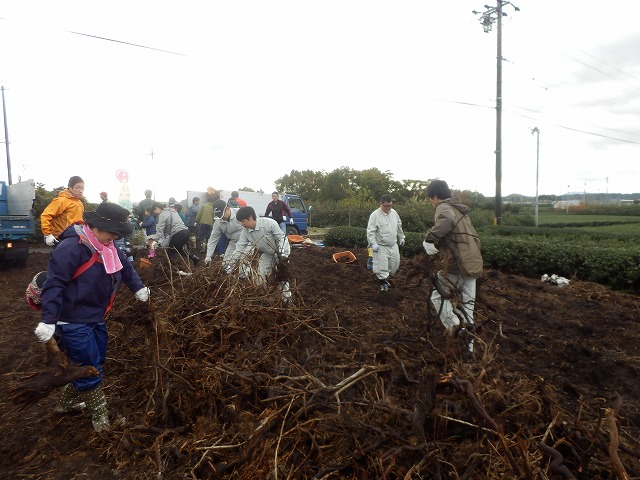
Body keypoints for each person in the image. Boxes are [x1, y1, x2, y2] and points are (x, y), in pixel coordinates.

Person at [33, 202, 150, 432]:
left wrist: (138, 288)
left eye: (117, 234)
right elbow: (55, 284)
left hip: (95, 315)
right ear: (95, 227)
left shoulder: (108, 246)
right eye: (112, 232)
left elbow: (126, 268)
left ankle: (64, 406)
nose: (114, 238)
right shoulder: (71, 248)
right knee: (89, 364)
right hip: (71, 318)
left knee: (95, 360)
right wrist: (48, 319)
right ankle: (100, 418)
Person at [423, 180, 483, 348]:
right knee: (468, 306)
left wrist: (429, 240)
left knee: (437, 296)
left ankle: (458, 330)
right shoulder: (461, 211)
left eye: (430, 199)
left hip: (458, 265)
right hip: (473, 264)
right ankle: (469, 348)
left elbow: (446, 221)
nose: (431, 203)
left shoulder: (444, 208)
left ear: (436, 197)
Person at [230, 206, 291, 302]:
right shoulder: (246, 232)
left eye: (243, 221)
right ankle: (262, 298)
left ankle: (287, 300)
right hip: (267, 253)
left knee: (282, 276)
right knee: (260, 276)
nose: (242, 224)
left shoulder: (269, 223)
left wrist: (282, 256)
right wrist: (231, 263)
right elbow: (240, 247)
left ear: (250, 217)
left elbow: (281, 238)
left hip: (280, 252)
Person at [366, 194, 405, 292]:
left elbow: (399, 225)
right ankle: (383, 284)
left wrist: (401, 236)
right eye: (386, 206)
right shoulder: (375, 215)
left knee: (394, 265)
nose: (388, 208)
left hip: (393, 244)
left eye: (390, 206)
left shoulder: (394, 213)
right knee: (381, 266)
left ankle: (385, 279)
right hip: (381, 246)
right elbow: (371, 231)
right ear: (381, 204)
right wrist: (373, 243)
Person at [41, 176, 86, 247]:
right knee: (62, 257)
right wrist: (48, 234)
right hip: (62, 239)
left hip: (75, 238)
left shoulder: (79, 203)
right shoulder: (61, 200)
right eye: (77, 187)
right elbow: (46, 215)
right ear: (70, 188)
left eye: (82, 188)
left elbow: (79, 220)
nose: (80, 190)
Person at [204, 200, 243, 268]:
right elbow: (213, 238)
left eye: (221, 214)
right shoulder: (218, 221)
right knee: (226, 265)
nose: (221, 218)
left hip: (247, 241)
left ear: (227, 209)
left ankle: (244, 277)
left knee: (244, 263)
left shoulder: (239, 213)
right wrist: (208, 255)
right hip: (233, 242)